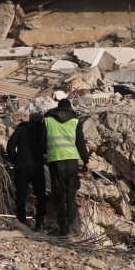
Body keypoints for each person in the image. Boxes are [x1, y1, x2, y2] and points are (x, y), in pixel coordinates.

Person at [40, 98, 89, 236]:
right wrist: (86, 161)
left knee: (59, 193)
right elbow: (80, 143)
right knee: (71, 194)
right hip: (72, 161)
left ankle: (62, 228)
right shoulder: (75, 121)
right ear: (70, 108)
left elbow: (41, 144)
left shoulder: (47, 121)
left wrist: (47, 153)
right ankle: (71, 227)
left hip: (55, 160)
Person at [7, 112, 47, 228]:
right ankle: (39, 222)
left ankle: (21, 220)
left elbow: (10, 146)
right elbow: (45, 148)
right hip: (37, 166)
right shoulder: (42, 131)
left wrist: (15, 159)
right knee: (40, 194)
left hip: (21, 166)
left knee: (21, 193)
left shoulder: (21, 129)